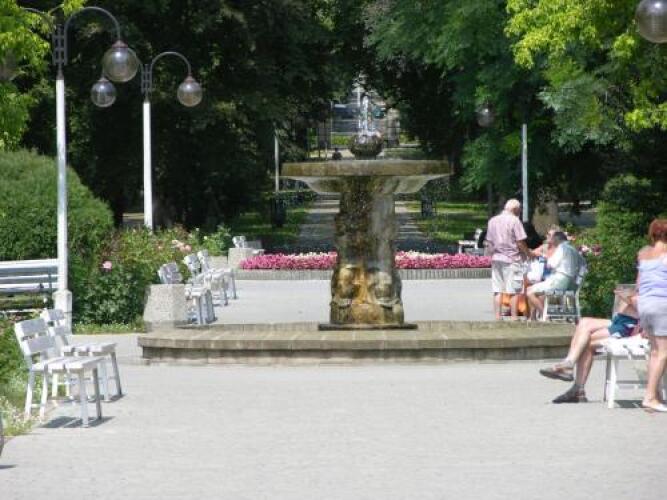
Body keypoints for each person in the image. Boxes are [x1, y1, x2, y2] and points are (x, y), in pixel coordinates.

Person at [538, 287, 639, 403]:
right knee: (584, 322)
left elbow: (645, 307)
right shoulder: (645, 279)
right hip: (620, 320)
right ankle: (569, 365)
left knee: (586, 341)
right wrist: (628, 293)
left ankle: (576, 385)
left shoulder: (655, 282)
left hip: (629, 327)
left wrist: (629, 298)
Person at [638, 219, 667, 413]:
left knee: (655, 352)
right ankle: (649, 397)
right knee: (663, 353)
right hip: (662, 305)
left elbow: (639, 283)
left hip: (645, 305)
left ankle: (654, 394)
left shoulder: (643, 254)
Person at [485, 199, 530, 320]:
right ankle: (514, 317)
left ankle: (497, 316)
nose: (520, 212)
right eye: (520, 210)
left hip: (496, 258)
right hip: (512, 259)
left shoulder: (492, 220)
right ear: (515, 209)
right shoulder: (515, 221)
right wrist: (528, 253)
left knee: (497, 289)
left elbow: (489, 242)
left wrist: (491, 255)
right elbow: (520, 242)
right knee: (514, 290)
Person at [526, 231, 580, 319]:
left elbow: (551, 264)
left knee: (529, 291)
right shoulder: (572, 249)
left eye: (552, 239)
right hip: (568, 282)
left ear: (556, 239)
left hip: (559, 280)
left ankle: (544, 316)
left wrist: (544, 256)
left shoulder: (562, 248)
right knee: (538, 292)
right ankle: (535, 318)